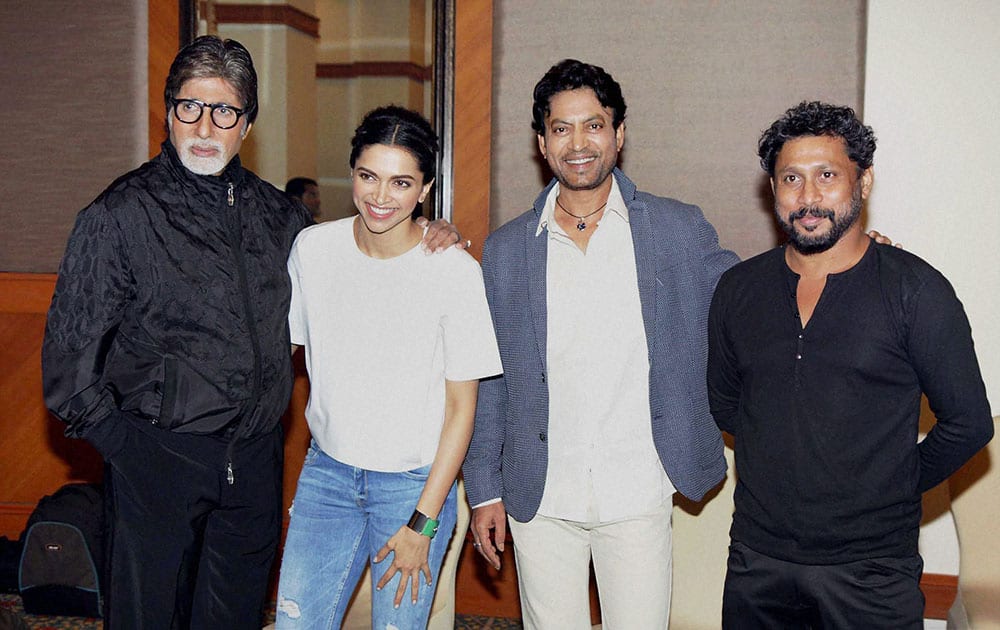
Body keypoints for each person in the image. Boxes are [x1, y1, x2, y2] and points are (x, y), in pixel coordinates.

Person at [41, 36, 461, 629]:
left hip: (255, 467)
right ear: (168, 112)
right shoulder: (118, 216)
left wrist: (430, 232)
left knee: (235, 615)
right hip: (157, 461)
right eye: (190, 107)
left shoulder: (284, 220)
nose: (205, 126)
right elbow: (68, 365)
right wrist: (134, 452)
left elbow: (360, 259)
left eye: (225, 111)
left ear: (247, 124)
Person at [461, 59, 740, 629]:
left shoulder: (675, 230)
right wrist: (484, 488)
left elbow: (748, 299)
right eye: (561, 128)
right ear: (541, 142)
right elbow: (489, 380)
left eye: (594, 125)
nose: (578, 143)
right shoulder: (508, 250)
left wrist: (843, 258)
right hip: (540, 494)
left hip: (638, 487)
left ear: (619, 134)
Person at [707, 101, 994, 629]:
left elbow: (969, 423)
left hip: (872, 571)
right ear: (772, 190)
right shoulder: (738, 289)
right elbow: (726, 404)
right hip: (758, 561)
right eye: (791, 177)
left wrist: (893, 483)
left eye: (827, 176)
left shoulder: (916, 291)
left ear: (862, 184)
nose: (808, 196)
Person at [274, 106, 502, 629]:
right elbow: (279, 355)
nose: (380, 197)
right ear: (351, 172)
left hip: (413, 488)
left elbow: (461, 409)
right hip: (326, 477)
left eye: (401, 182)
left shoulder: (454, 271)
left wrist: (423, 523)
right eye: (368, 177)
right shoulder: (313, 250)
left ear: (425, 189)